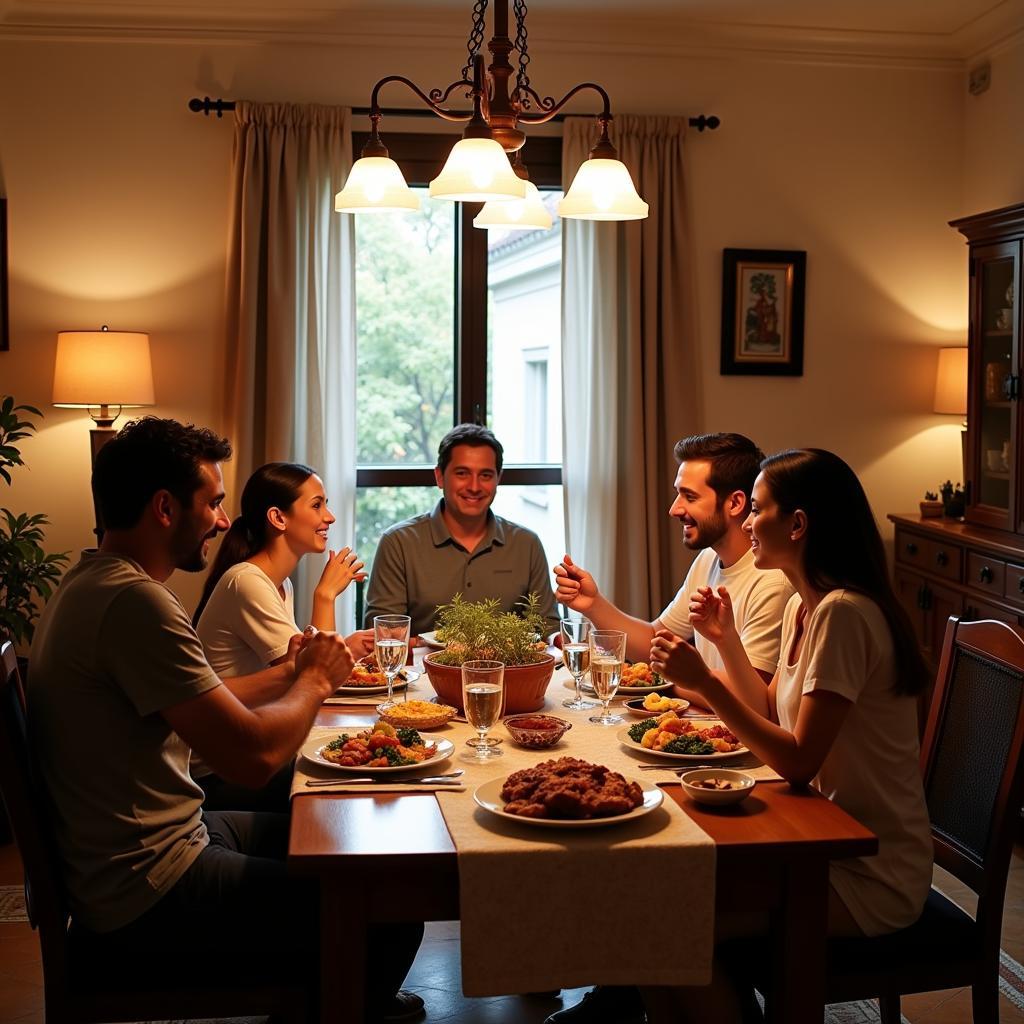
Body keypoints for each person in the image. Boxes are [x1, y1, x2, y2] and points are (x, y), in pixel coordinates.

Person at [27, 418, 424, 1023]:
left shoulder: (92, 581)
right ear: (164, 508)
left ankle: (325, 996)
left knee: (337, 838)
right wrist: (316, 678)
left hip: (158, 841)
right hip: (149, 884)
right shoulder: (134, 604)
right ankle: (331, 1003)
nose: (221, 519)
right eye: (212, 502)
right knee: (388, 899)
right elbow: (252, 756)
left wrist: (299, 673)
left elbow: (213, 702)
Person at [644, 448, 933, 1023]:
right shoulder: (807, 609)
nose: (747, 522)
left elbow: (797, 761)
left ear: (797, 524)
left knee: (667, 929)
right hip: (819, 837)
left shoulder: (844, 615)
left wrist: (704, 680)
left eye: (757, 509)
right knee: (662, 906)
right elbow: (775, 720)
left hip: (868, 869)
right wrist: (724, 643)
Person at [553, 433, 794, 710]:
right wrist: (593, 604)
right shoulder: (708, 559)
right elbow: (654, 640)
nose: (674, 509)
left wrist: (673, 680)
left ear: (736, 503)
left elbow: (752, 701)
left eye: (689, 496)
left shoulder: (772, 583)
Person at [190, 461, 372, 809]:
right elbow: (311, 674)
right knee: (348, 783)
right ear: (278, 518)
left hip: (247, 745)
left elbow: (307, 665)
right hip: (220, 770)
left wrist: (341, 647)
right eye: (317, 505)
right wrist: (325, 596)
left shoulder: (278, 583)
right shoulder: (248, 581)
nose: (329, 517)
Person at [365, 423, 559, 637]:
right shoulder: (398, 542)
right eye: (462, 473)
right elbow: (383, 636)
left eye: (485, 475)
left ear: (498, 479)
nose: (474, 487)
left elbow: (547, 631)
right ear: (439, 477)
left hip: (508, 670)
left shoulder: (527, 544)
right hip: (420, 670)